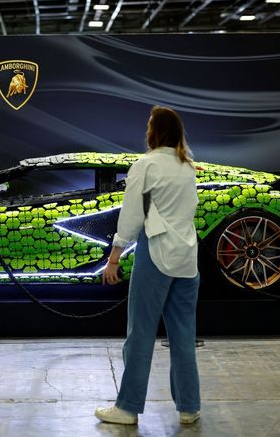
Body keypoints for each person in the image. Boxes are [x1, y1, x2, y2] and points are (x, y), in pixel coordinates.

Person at [95, 106, 201, 426]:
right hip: (187, 259)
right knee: (183, 335)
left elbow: (130, 218)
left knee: (140, 333)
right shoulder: (189, 167)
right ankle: (189, 407)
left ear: (155, 132)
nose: (146, 130)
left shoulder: (145, 165)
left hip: (155, 254)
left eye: (148, 125)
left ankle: (127, 408)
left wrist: (114, 258)